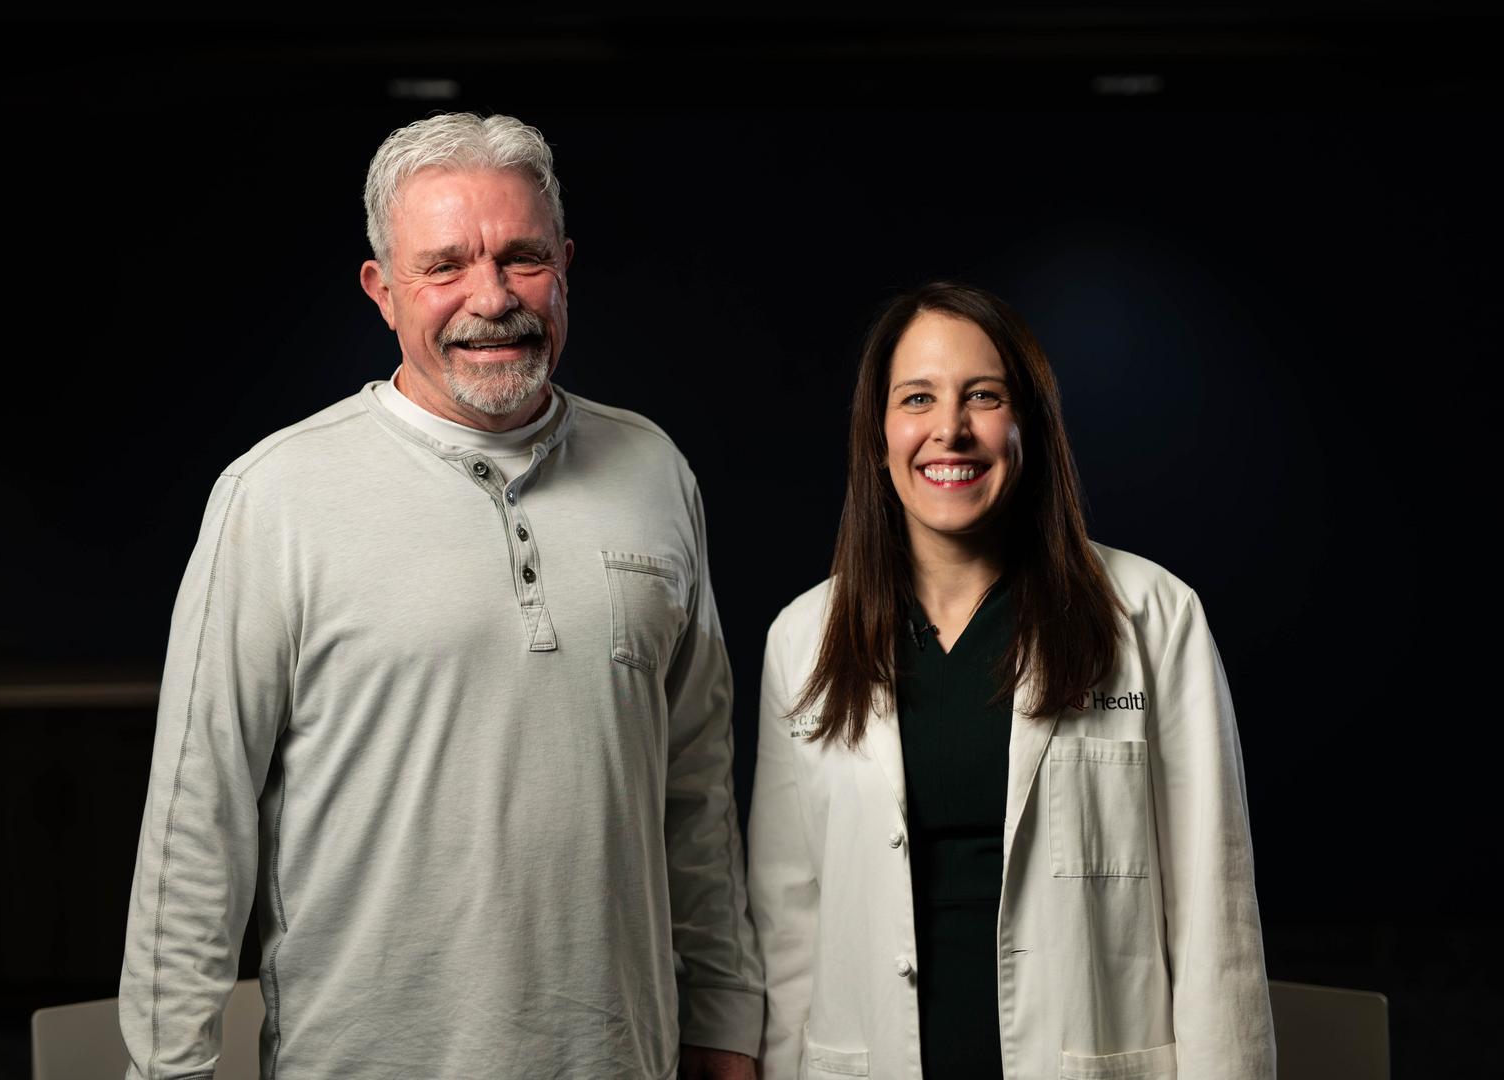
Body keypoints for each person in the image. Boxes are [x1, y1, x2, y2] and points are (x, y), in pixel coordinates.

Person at [119, 113, 762, 1080]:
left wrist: (723, 1027)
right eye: (446, 265)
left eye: (522, 258)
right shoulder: (276, 496)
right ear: (383, 290)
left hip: (622, 1058)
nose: (491, 298)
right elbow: (193, 821)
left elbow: (696, 794)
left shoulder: (654, 471)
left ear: (566, 265)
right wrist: (168, 1070)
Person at [746, 283, 1275, 1079]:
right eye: (916, 398)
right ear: (877, 434)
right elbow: (786, 928)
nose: (948, 431)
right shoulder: (803, 639)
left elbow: (1214, 915)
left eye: (982, 397)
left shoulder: (1153, 617)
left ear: (1028, 424)